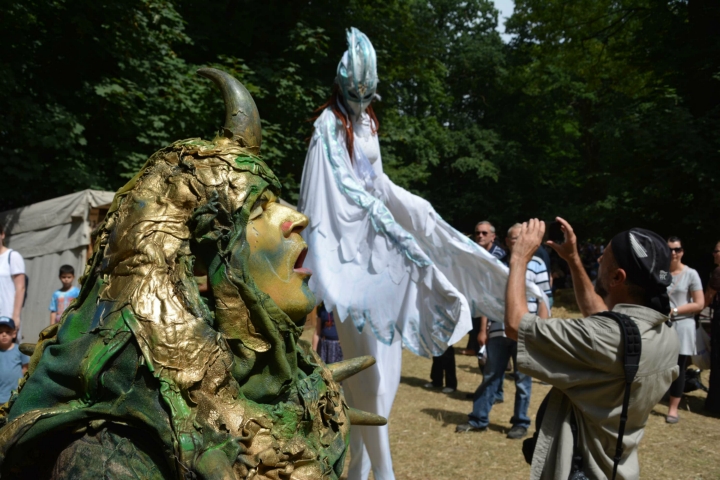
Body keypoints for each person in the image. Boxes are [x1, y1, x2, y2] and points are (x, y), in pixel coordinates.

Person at [297, 28, 546, 480]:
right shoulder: (327, 126)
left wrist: (417, 213)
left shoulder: (368, 123)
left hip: (383, 247)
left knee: (385, 382)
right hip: (355, 259)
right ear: (342, 88)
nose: (361, 103)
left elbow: (379, 183)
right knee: (368, 384)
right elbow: (338, 191)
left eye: (366, 95)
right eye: (355, 95)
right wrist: (392, 228)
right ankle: (382, 474)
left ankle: (360, 472)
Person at [504, 218, 678, 479]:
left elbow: (517, 326)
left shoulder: (604, 340)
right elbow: (602, 317)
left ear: (618, 277)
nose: (597, 262)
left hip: (580, 470)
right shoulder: (665, 333)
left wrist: (519, 258)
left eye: (604, 258)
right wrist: (573, 259)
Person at [457, 223, 550, 439]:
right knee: (490, 376)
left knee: (523, 381)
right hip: (498, 331)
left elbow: (544, 298)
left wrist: (543, 331)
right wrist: (483, 330)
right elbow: (487, 300)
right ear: (507, 242)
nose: (516, 242)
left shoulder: (537, 264)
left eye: (520, 238)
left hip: (527, 332)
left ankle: (520, 423)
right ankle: (478, 419)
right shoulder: (497, 265)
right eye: (513, 238)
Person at [665, 236, 704, 423]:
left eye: (677, 249)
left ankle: (673, 409)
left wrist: (674, 310)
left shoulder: (691, 274)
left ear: (682, 251)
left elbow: (699, 304)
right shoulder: (661, 273)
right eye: (670, 249)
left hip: (682, 324)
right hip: (663, 324)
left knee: (679, 367)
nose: (673, 253)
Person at [461, 221, 505, 356]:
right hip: (477, 294)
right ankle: (475, 347)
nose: (480, 236)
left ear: (493, 236)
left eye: (484, 233)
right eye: (477, 233)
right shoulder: (474, 251)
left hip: (494, 298)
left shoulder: (498, 254)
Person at [0, 224, 25, 339]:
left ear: (2, 234)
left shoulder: (12, 256)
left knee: (10, 355)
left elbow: (20, 288)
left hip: (7, 318)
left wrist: (16, 316)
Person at [704, 241, 720, 413]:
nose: (714, 254)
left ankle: (715, 405)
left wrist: (694, 311)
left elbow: (707, 297)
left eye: (716, 251)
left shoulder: (718, 272)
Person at [0, 317, 29, 404]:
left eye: (8, 332)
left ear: (14, 334)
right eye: (0, 332)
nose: (4, 334)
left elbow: (26, 368)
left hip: (16, 397)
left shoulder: (20, 350)